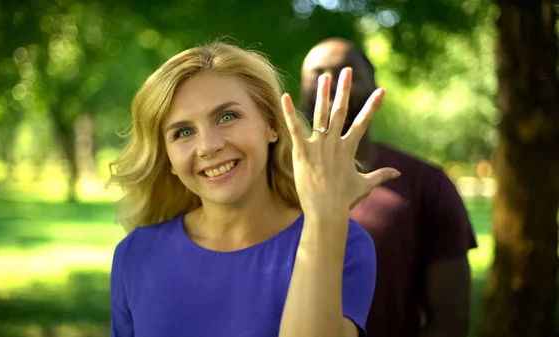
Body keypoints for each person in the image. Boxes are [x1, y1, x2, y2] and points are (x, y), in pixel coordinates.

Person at [107, 42, 401, 337]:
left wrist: (324, 217)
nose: (209, 146)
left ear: (271, 125)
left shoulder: (345, 241)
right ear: (168, 158)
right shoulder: (135, 254)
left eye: (227, 117)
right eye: (183, 132)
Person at [300, 38, 478, 337]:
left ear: (373, 86)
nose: (331, 85)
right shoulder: (266, 182)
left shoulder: (427, 183)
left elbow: (451, 319)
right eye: (318, 74)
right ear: (302, 91)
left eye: (347, 73)